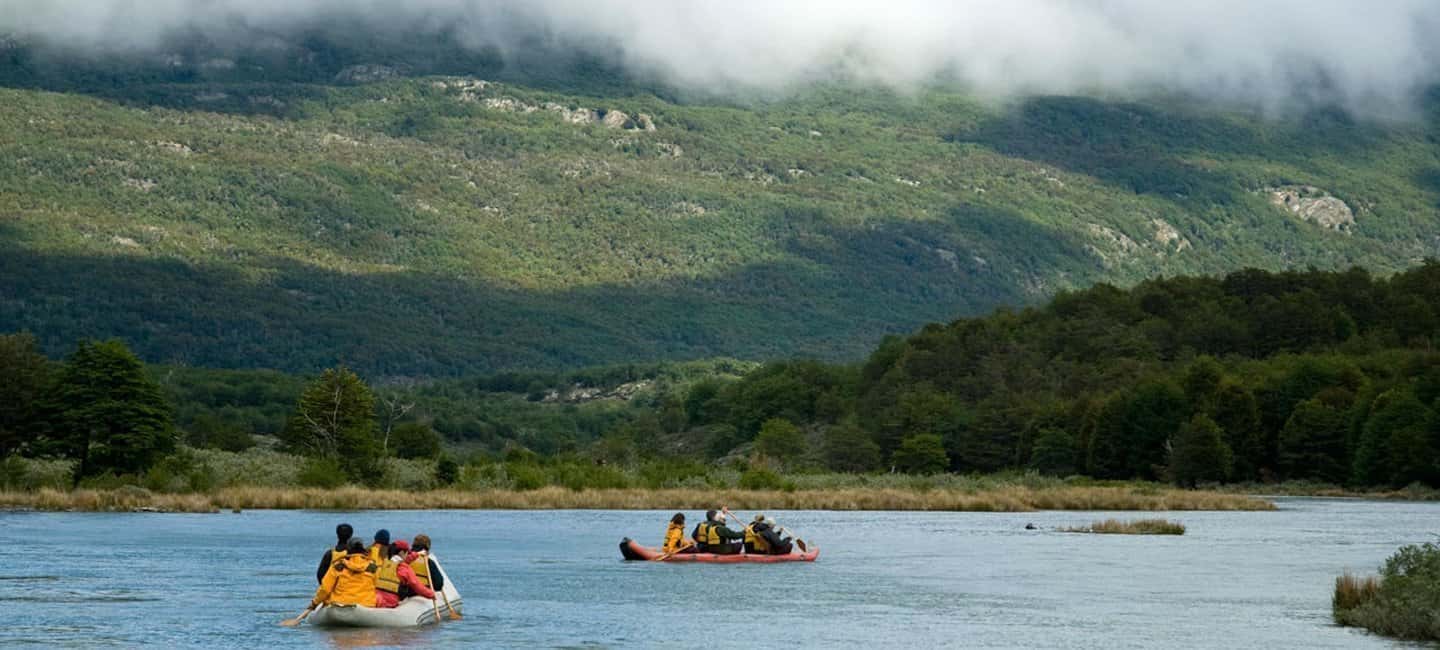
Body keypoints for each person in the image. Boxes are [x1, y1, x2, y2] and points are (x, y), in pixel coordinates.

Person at [311, 537, 378, 609]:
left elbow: (325, 589)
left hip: (341, 605)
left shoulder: (338, 566)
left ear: (348, 549)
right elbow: (378, 587)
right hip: (366, 606)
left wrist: (315, 603)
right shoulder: (372, 567)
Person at [375, 540, 434, 608]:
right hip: (391, 603)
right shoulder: (404, 568)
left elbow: (405, 559)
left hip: (378, 600)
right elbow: (417, 586)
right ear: (402, 552)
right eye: (407, 553)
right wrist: (431, 594)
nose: (407, 555)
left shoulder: (384, 562)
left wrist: (418, 554)